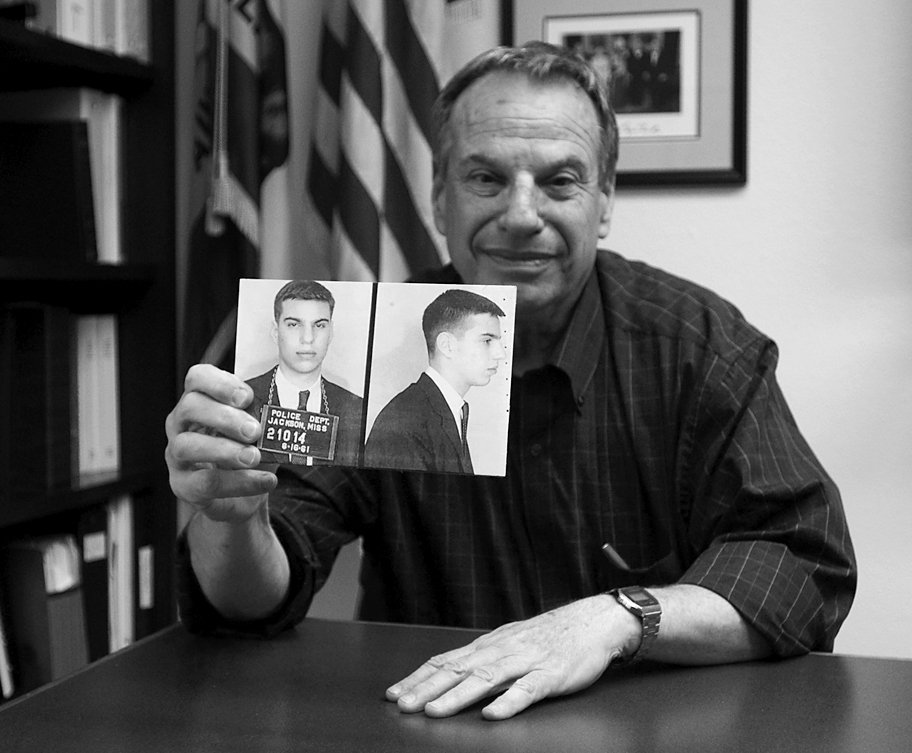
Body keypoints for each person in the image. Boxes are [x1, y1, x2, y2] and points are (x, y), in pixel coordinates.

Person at [165, 42, 855, 721]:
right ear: (440, 199)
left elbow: (806, 564)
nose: (522, 216)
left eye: (560, 181)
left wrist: (617, 618)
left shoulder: (698, 347)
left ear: (605, 201)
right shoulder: (372, 352)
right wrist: (230, 518)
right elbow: (249, 601)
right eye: (486, 179)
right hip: (429, 725)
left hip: (645, 733)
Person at [364, 289, 507, 473]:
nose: (500, 354)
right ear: (447, 345)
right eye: (487, 341)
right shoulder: (405, 422)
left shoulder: (443, 408)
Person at [244, 280, 364, 466]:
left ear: (331, 333)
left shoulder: (354, 408)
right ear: (275, 332)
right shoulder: (246, 397)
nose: (308, 338)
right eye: (294, 325)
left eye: (319, 325)